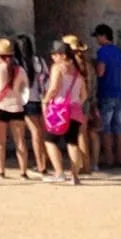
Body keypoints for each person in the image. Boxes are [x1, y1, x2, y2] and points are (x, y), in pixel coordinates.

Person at [0, 37, 29, 179]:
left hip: (0, 107)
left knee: (0, 141)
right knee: (20, 141)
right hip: (16, 107)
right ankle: (23, 172)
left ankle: (1, 171)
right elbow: (25, 86)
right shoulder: (19, 70)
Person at [42, 39, 86, 185]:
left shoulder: (58, 67)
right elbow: (84, 94)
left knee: (50, 140)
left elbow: (54, 88)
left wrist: (46, 100)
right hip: (75, 109)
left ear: (62, 55)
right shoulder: (78, 69)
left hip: (60, 109)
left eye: (55, 55)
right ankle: (75, 176)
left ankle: (59, 172)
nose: (53, 58)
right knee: (72, 142)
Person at [65, 34, 100, 173]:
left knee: (80, 135)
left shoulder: (73, 66)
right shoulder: (89, 65)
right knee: (89, 133)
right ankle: (91, 164)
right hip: (89, 101)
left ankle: (84, 165)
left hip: (78, 102)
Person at [15, 33, 49, 174]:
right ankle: (44, 161)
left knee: (35, 133)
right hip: (40, 98)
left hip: (26, 100)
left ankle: (40, 164)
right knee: (42, 132)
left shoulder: (17, 64)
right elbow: (46, 78)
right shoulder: (39, 61)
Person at [94, 23, 121, 168]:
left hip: (106, 91)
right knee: (118, 127)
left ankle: (109, 159)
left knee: (105, 127)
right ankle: (119, 158)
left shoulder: (103, 52)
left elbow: (100, 72)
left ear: (102, 36)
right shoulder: (118, 52)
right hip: (118, 92)